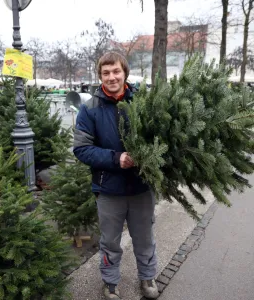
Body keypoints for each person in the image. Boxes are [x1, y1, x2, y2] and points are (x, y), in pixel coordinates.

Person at [73, 52, 159, 300]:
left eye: (116, 71)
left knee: (144, 237)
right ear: (100, 76)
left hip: (141, 186)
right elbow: (82, 149)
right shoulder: (89, 109)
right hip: (108, 188)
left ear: (125, 73)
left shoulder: (142, 101)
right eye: (106, 73)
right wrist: (116, 159)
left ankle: (148, 277)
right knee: (110, 241)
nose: (111, 77)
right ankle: (110, 282)